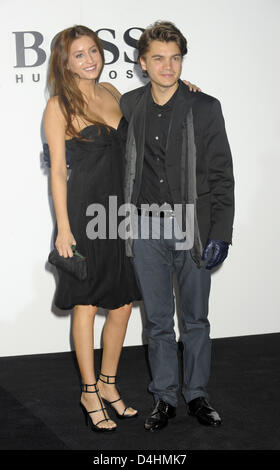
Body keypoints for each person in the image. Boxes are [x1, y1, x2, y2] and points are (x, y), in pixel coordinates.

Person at [44, 24, 199, 432]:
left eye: (93, 50)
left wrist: (183, 89)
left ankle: (110, 384)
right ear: (65, 62)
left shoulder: (114, 93)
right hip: (85, 215)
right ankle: (89, 390)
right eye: (79, 54)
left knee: (123, 305)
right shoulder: (59, 105)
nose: (90, 59)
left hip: (124, 211)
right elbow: (58, 172)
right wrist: (63, 227)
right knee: (87, 303)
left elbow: (153, 109)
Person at [120, 21, 235, 431]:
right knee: (156, 321)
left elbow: (222, 174)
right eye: (158, 58)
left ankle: (198, 395)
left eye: (175, 58)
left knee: (196, 319)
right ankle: (164, 398)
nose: (168, 67)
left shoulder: (204, 106)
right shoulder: (129, 105)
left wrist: (221, 232)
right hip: (145, 228)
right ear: (142, 62)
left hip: (194, 227)